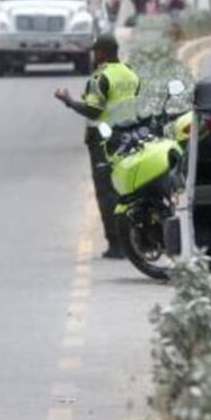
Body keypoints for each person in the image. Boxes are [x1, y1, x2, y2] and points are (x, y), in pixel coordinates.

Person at [54, 35, 141, 259]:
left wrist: (69, 101)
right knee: (127, 188)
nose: (94, 56)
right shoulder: (130, 72)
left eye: (96, 52)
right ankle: (134, 239)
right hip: (130, 136)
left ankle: (116, 243)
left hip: (104, 142)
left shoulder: (100, 77)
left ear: (101, 53)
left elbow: (93, 110)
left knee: (106, 192)